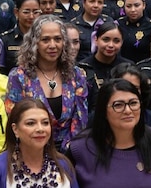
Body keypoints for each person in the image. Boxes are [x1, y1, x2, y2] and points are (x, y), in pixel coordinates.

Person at [5, 15, 89, 151]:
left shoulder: (77, 75)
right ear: (34, 43)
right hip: (30, 151)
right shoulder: (19, 77)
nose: (52, 45)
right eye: (45, 40)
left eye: (57, 39)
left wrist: (66, 154)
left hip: (70, 152)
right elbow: (14, 121)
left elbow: (80, 120)